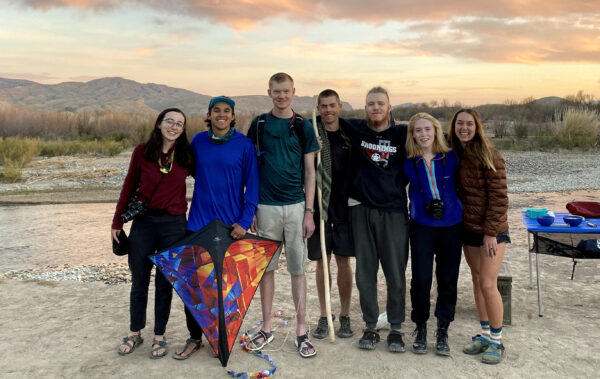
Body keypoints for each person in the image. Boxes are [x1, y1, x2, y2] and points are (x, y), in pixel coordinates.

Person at [172, 96, 259, 360]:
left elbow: (253, 186)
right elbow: (188, 171)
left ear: (233, 117)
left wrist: (244, 222)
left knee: (227, 287)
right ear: (208, 116)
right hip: (198, 225)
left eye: (227, 111)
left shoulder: (244, 145)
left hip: (230, 228)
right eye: (216, 111)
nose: (221, 114)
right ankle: (195, 337)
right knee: (193, 286)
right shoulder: (198, 141)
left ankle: (221, 336)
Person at [246, 72, 320, 358]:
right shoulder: (259, 124)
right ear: (269, 92)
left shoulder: (303, 126)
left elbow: (310, 172)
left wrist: (309, 212)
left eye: (286, 91)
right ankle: (266, 327)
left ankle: (302, 330)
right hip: (265, 206)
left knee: (298, 269)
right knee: (268, 269)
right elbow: (250, 168)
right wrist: (250, 206)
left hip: (296, 206)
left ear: (293, 92)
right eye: (276, 91)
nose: (281, 96)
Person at [112, 108, 194, 359]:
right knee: (139, 281)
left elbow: (212, 178)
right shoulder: (142, 151)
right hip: (144, 223)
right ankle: (135, 332)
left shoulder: (186, 154)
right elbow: (129, 185)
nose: (174, 126)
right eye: (169, 121)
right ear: (159, 124)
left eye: (179, 124)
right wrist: (117, 221)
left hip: (174, 225)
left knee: (164, 283)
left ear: (183, 129)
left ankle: (160, 335)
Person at [342, 86, 409, 352]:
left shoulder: (402, 133)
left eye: (380, 103)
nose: (375, 108)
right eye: (371, 104)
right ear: (365, 107)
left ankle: (395, 328)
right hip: (361, 209)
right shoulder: (356, 129)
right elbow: (326, 119)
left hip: (393, 210)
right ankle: (370, 326)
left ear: (389, 107)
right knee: (365, 273)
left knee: (395, 273)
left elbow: (433, 140)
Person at [447, 108, 510, 365]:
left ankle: (497, 340)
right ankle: (484, 334)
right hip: (468, 229)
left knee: (487, 283)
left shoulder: (491, 155)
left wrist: (491, 232)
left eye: (469, 124)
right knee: (475, 280)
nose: (464, 128)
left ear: (477, 127)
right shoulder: (453, 154)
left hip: (491, 233)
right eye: (459, 123)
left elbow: (499, 198)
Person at [404, 112, 463, 356]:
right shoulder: (409, 161)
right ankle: (420, 326)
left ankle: (443, 328)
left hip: (452, 225)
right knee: (421, 279)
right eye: (418, 130)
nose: (423, 134)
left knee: (448, 279)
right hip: (421, 225)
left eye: (428, 129)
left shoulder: (451, 157)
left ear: (436, 131)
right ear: (412, 134)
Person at [307, 89, 354, 340]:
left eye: (332, 105)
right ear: (318, 109)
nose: (328, 110)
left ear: (340, 106)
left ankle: (345, 315)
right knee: (321, 261)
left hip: (345, 207)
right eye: (323, 106)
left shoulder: (350, 133)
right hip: (319, 205)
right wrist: (312, 151)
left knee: (343, 261)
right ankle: (325, 315)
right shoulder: (312, 133)